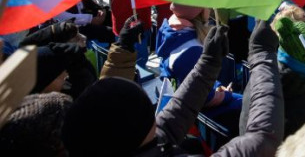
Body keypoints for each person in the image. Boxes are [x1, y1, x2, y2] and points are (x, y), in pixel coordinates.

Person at [62, 21, 282, 157]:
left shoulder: (130, 144)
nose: (156, 112)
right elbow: (261, 139)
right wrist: (262, 57)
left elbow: (174, 117)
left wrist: (206, 66)